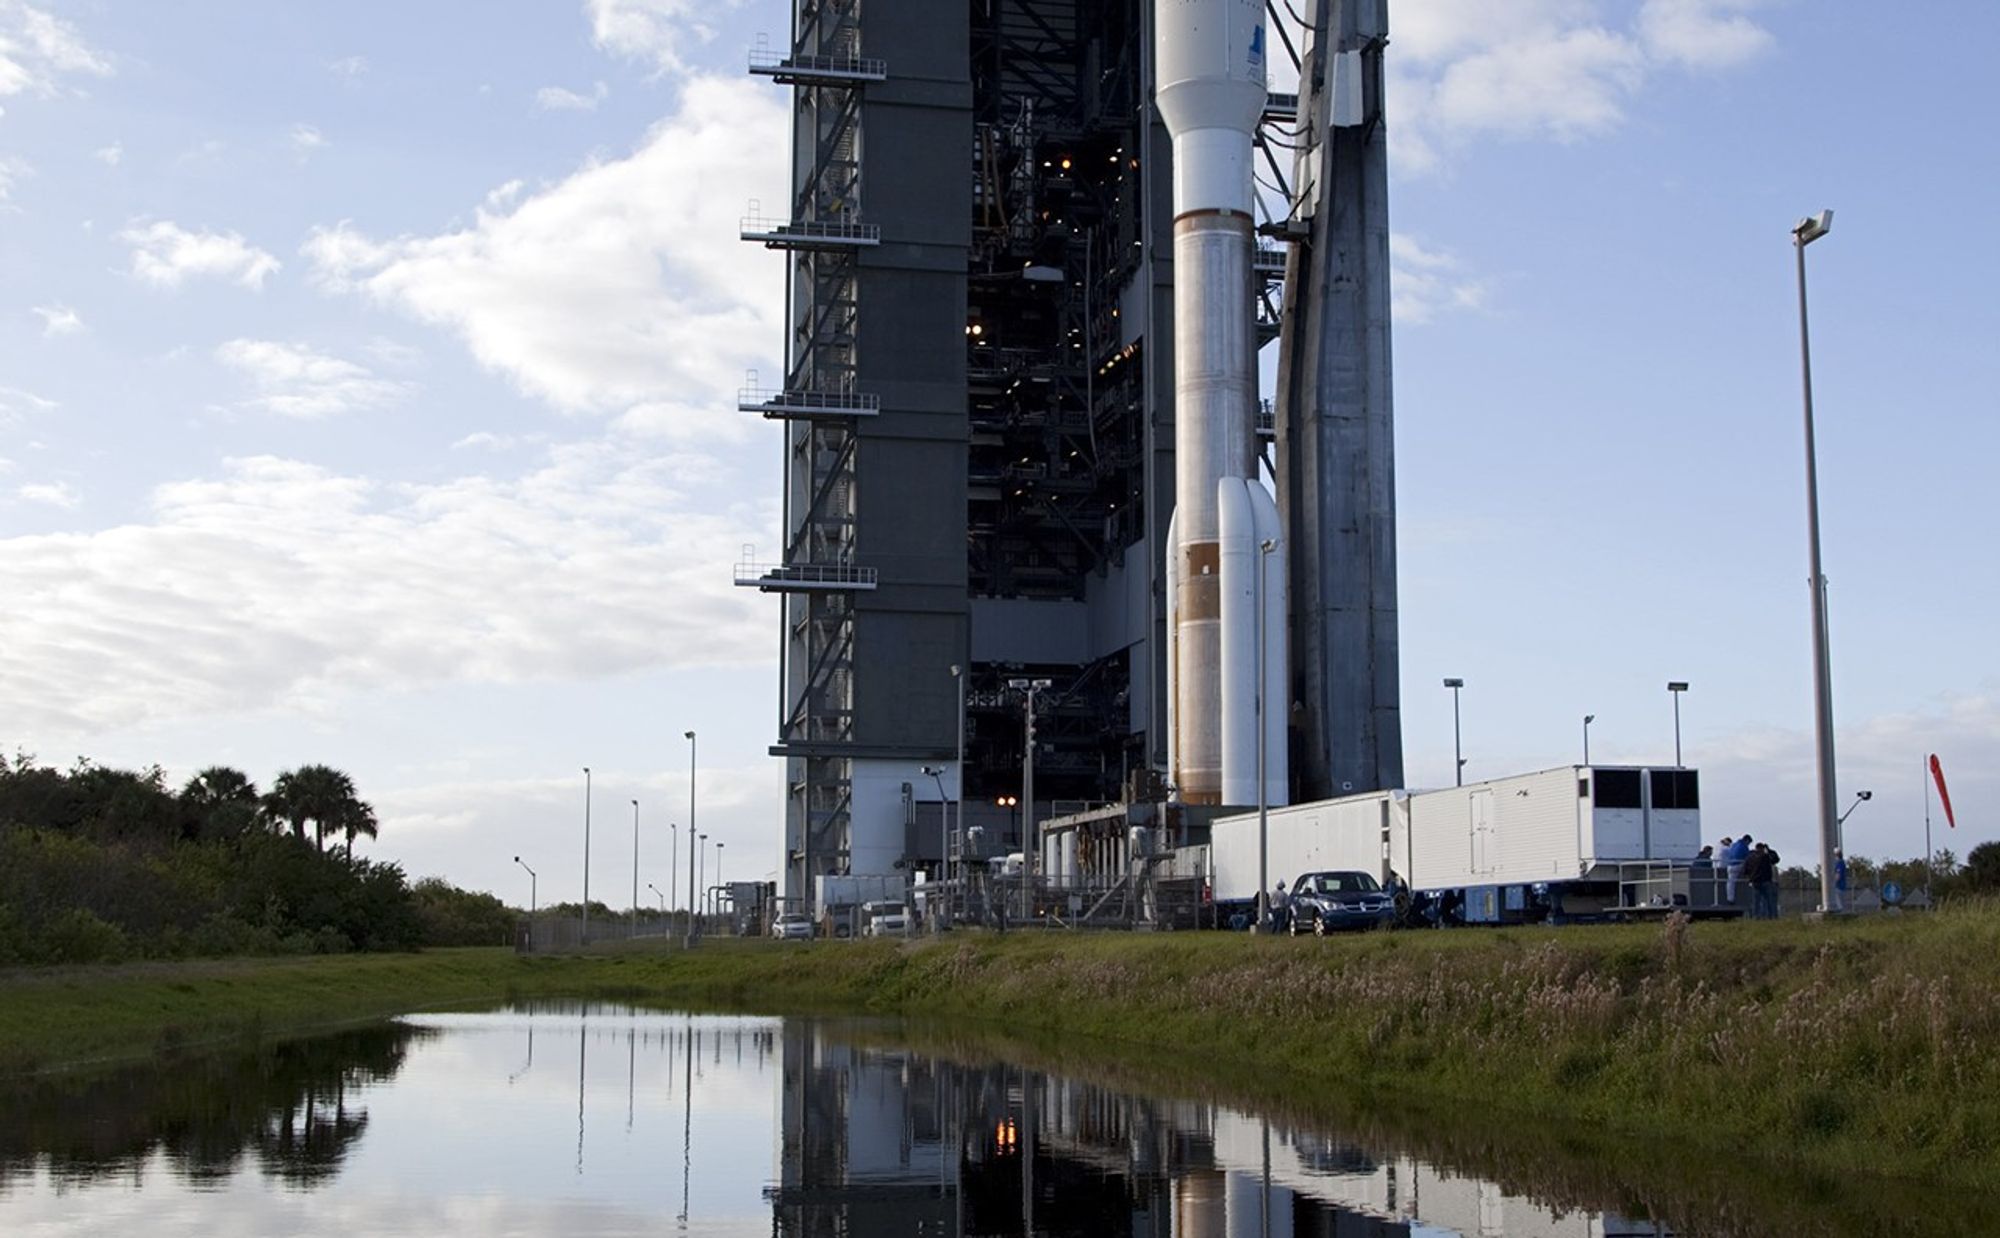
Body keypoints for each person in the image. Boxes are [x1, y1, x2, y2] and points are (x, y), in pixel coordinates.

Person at [1831, 848, 1849, 913]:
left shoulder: (1840, 863)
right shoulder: (1840, 863)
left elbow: (1838, 875)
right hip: (1840, 886)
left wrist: (1833, 883)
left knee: (1839, 903)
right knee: (1839, 902)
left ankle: (1840, 912)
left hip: (1839, 886)